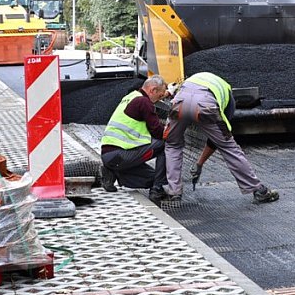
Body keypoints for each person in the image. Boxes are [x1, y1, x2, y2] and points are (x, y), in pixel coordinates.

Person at [162, 72, 279, 204]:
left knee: (172, 145)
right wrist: (200, 164)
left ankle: (174, 192)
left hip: (180, 103)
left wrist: (199, 163)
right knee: (229, 147)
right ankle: (259, 190)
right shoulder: (227, 93)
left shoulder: (191, 80)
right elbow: (218, 141)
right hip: (205, 105)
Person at [100, 76, 169, 199]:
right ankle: (157, 188)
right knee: (165, 144)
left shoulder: (131, 97)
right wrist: (173, 131)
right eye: (159, 96)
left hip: (109, 155)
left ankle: (113, 173)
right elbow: (158, 133)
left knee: (151, 178)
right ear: (153, 90)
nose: (159, 99)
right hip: (120, 154)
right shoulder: (144, 102)